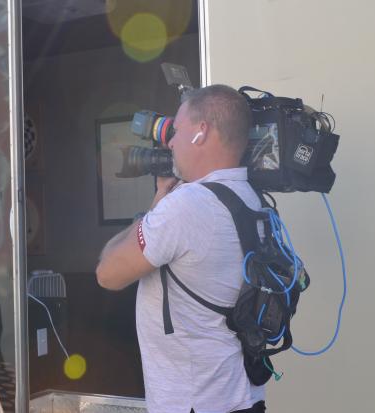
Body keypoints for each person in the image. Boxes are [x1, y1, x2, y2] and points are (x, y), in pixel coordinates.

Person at [96, 84, 266, 413]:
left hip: (196, 402)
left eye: (176, 129)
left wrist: (154, 210)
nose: (170, 142)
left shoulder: (189, 205)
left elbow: (108, 273)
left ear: (201, 132)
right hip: (242, 396)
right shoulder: (252, 197)